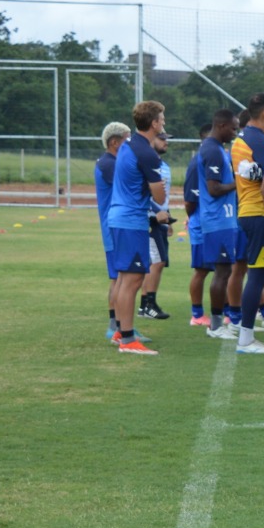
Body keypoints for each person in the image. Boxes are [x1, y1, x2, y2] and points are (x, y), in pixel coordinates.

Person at [105, 100, 168, 354]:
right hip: (131, 221)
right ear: (154, 123)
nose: (164, 123)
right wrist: (158, 185)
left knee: (124, 278)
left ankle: (121, 331)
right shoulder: (146, 152)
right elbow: (161, 198)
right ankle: (128, 340)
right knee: (133, 279)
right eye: (162, 119)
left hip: (121, 218)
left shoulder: (130, 145)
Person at [232, 93, 264, 355]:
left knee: (259, 274)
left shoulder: (242, 139)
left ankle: (250, 335)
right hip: (260, 215)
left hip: (248, 212)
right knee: (258, 276)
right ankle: (246, 339)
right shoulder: (260, 142)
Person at [196, 109, 241, 338]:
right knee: (222, 272)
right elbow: (213, 189)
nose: (235, 133)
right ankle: (215, 326)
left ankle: (223, 321)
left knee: (226, 271)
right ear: (221, 125)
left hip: (224, 219)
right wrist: (239, 183)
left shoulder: (217, 149)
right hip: (217, 221)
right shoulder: (212, 149)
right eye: (233, 128)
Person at [95, 121, 133, 342]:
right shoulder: (109, 164)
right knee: (119, 278)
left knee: (120, 277)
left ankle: (120, 325)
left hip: (115, 226)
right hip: (114, 228)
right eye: (127, 140)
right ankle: (116, 326)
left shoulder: (112, 161)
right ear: (114, 142)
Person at [181, 122, 215, 326]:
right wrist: (193, 218)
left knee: (224, 269)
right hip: (202, 225)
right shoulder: (197, 162)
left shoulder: (216, 157)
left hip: (217, 223)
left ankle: (227, 312)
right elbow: (189, 200)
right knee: (202, 270)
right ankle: (197, 314)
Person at [138, 130, 173, 320]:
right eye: (162, 139)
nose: (166, 142)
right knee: (156, 262)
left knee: (158, 262)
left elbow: (163, 197)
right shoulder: (146, 164)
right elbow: (145, 192)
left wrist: (169, 217)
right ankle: (147, 304)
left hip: (161, 220)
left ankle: (147, 304)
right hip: (150, 219)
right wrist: (154, 213)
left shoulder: (164, 165)